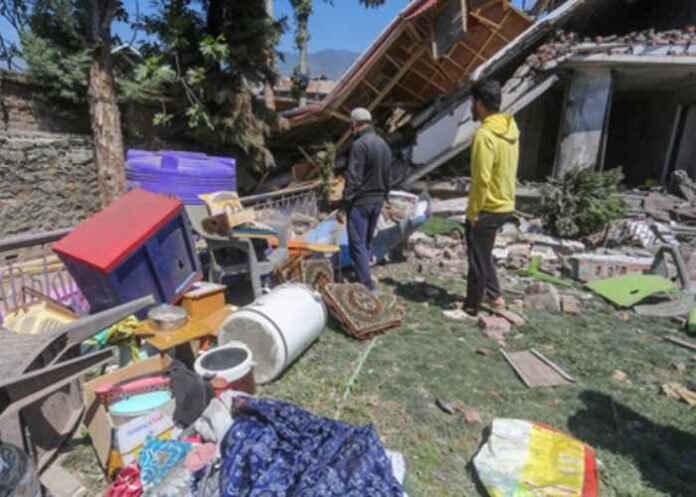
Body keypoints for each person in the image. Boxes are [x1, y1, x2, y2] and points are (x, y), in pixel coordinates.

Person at [465, 79, 520, 315]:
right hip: (505, 203)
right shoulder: (511, 130)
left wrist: (473, 212)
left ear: (479, 104)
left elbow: (481, 179)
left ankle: (471, 307)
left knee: (477, 259)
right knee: (483, 253)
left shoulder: (484, 134)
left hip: (488, 206)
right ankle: (495, 297)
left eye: (472, 102)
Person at [338, 107, 392, 293]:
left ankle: (367, 286)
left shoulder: (359, 145)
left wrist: (344, 204)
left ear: (355, 124)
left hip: (361, 202)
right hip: (377, 200)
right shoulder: (383, 145)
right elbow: (388, 176)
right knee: (367, 241)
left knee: (357, 242)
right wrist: (385, 198)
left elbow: (353, 177)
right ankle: (365, 273)